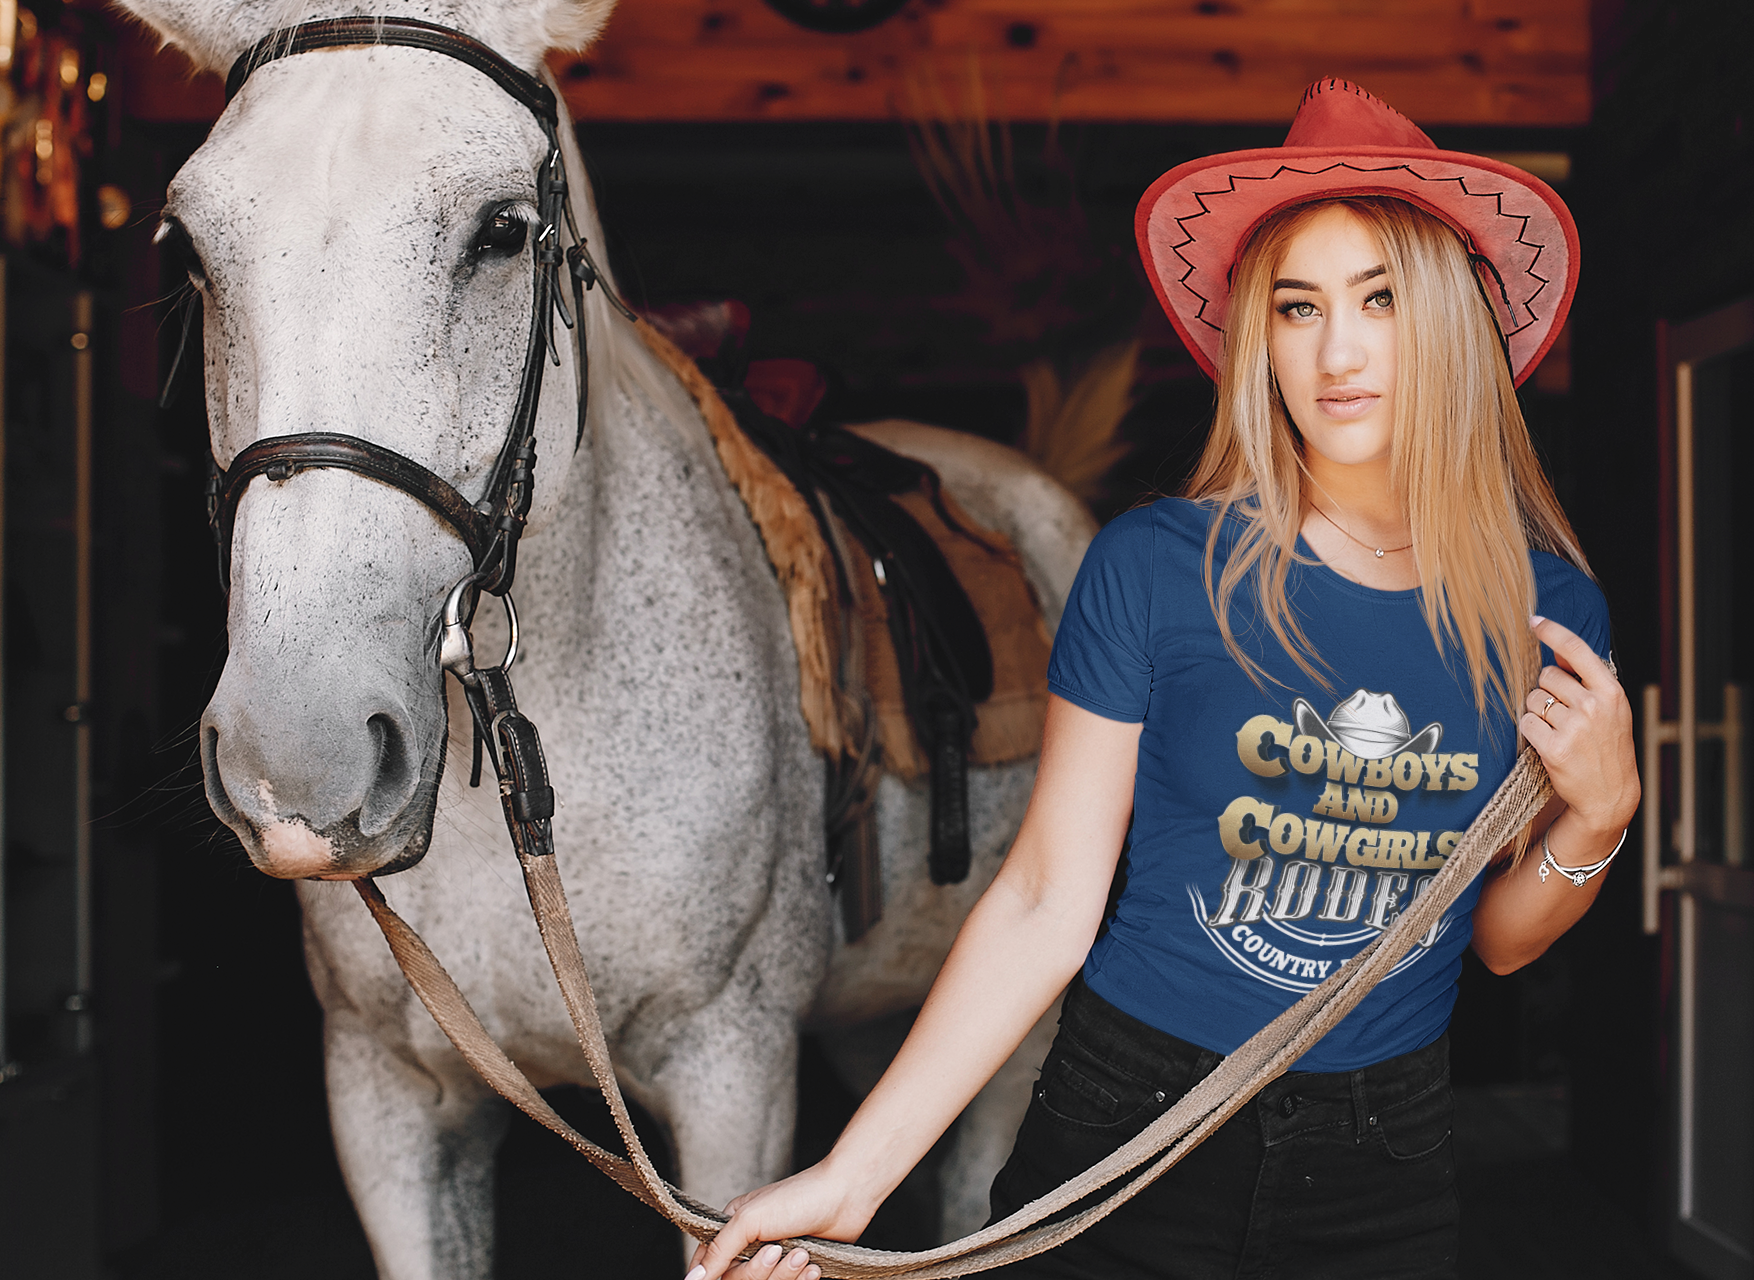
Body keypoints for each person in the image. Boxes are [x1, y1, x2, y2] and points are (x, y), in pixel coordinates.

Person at [688, 78, 1640, 1280]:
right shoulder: (1156, 566)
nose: (1338, 352)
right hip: (1123, 1127)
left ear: (1448, 318)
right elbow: (1045, 896)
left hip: (1382, 1164)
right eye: (1297, 307)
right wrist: (853, 1178)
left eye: (1380, 299)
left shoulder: (1546, 610)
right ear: (1260, 340)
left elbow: (1492, 938)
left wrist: (1601, 814)